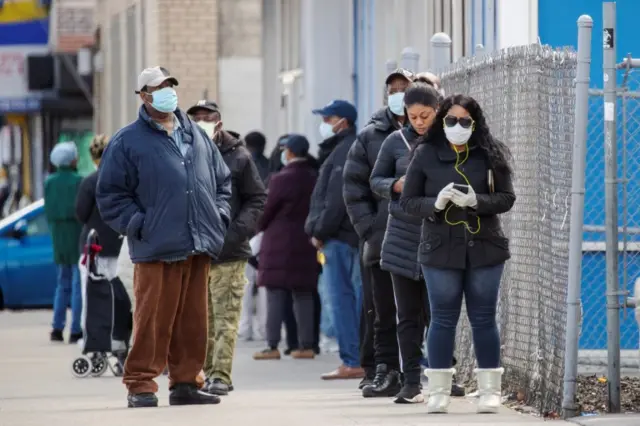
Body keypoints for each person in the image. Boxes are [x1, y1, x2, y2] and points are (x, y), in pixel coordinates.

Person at [96, 66, 232, 408]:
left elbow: (222, 182)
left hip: (197, 243)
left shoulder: (196, 135)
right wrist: (139, 223)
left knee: (193, 322)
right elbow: (110, 195)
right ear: (143, 95)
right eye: (158, 87)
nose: (167, 92)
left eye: (170, 85)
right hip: (156, 246)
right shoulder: (127, 140)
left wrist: (219, 216)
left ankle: (186, 382)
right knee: (152, 320)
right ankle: (141, 383)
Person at [399, 94, 515, 414]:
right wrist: (434, 204)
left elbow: (506, 198)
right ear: (442, 122)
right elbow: (407, 202)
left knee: (483, 317)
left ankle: (490, 390)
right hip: (440, 249)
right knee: (442, 318)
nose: (457, 126)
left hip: (485, 248)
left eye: (465, 121)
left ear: (474, 123)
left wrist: (476, 201)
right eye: (451, 120)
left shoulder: (491, 154)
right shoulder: (424, 154)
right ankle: (438, 391)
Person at [187, 100, 267, 396]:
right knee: (199, 319)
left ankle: (220, 374)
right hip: (194, 252)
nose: (202, 123)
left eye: (207, 118)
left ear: (218, 122)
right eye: (196, 118)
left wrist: (235, 233)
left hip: (229, 252)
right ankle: (204, 372)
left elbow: (257, 198)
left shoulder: (239, 156)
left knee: (225, 316)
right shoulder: (182, 153)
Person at [343, 68, 413, 394]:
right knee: (379, 309)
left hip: (418, 239)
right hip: (380, 238)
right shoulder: (370, 137)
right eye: (393, 89)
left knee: (418, 310)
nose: (398, 94)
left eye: (405, 88)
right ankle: (383, 369)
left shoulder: (429, 134)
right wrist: (370, 229)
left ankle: (425, 369)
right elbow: (354, 188)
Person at [306, 100, 364, 380]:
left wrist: (319, 232)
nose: (325, 124)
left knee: (341, 300)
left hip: (339, 238)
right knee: (351, 299)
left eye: (329, 119)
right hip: (347, 236)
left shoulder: (343, 151)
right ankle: (356, 358)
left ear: (344, 121)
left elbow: (336, 199)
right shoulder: (342, 149)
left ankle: (353, 360)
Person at [253, 134, 319, 360]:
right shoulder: (314, 177)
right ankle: (306, 345)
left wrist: (256, 228)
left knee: (275, 294)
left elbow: (266, 211)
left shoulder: (279, 179)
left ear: (289, 152)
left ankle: (272, 346)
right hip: (306, 241)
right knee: (304, 295)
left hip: (278, 242)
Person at [44, 141, 83, 344]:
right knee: (77, 285)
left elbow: (49, 212)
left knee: (62, 284)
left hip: (58, 237)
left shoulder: (49, 182)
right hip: (77, 235)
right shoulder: (79, 181)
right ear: (71, 159)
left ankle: (57, 328)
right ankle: (76, 329)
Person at [75, 134, 124, 280]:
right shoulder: (124, 180)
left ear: (92, 157)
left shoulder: (89, 182)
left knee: (93, 296)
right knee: (116, 295)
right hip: (118, 246)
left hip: (94, 247)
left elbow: (81, 214)